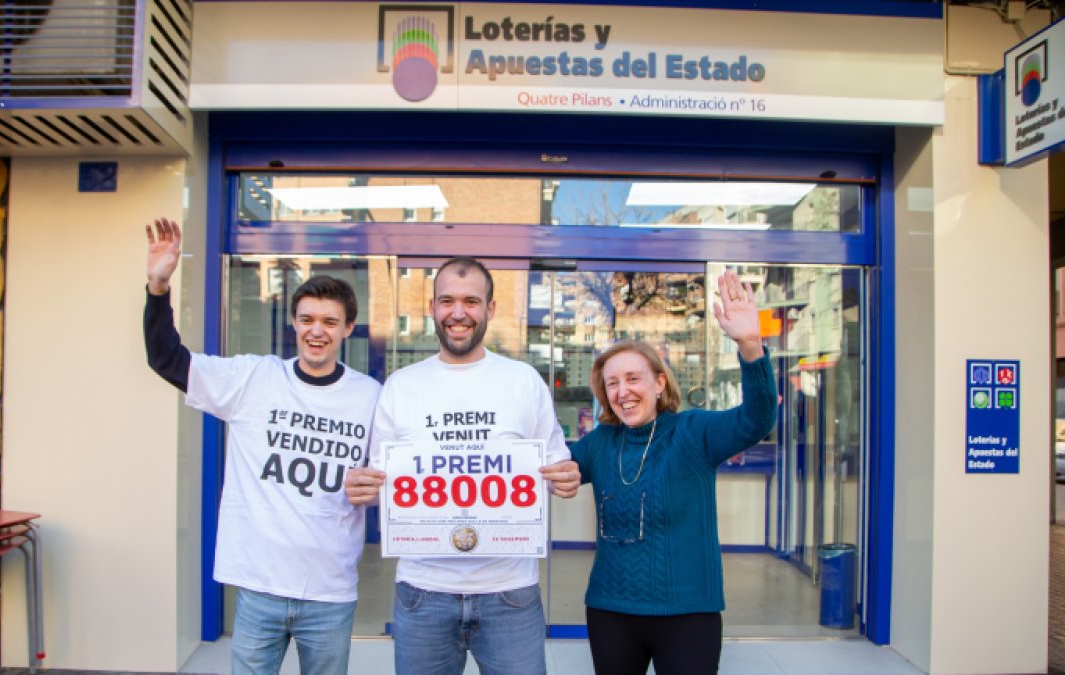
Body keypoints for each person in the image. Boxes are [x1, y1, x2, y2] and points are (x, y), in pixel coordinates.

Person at [142, 217, 380, 675]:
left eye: (330, 322)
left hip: (330, 591)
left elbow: (392, 476)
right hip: (259, 586)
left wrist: (377, 488)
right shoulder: (253, 378)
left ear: (348, 328)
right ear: (293, 322)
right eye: (307, 319)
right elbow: (166, 358)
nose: (317, 331)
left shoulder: (370, 396)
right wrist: (158, 287)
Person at [344, 257, 582, 675]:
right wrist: (365, 486)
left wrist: (565, 476)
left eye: (471, 301)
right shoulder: (402, 385)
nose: (458, 313)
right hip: (423, 592)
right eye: (447, 301)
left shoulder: (523, 380)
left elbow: (555, 462)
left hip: (510, 592)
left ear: (490, 309)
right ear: (432, 308)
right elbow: (382, 477)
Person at [569, 268, 778, 675]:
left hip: (688, 613)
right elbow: (555, 469)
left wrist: (750, 344)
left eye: (633, 378)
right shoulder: (600, 443)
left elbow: (757, 418)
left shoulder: (692, 432)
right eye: (612, 383)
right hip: (611, 611)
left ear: (660, 383)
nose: (622, 391)